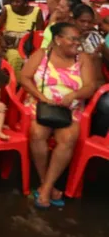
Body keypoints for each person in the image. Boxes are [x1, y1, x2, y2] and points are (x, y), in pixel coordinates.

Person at [20, 22, 97, 208]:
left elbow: (90, 86)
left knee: (68, 137)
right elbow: (24, 77)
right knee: (38, 133)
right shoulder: (42, 54)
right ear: (58, 39)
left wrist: (73, 95)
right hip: (41, 105)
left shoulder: (83, 59)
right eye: (72, 39)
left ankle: (45, 188)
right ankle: (47, 183)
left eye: (78, 39)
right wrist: (40, 97)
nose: (77, 43)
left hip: (70, 109)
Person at [0, 0, 44, 76]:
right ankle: (15, 84)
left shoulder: (37, 12)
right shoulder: (7, 10)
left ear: (25, 3)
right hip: (11, 47)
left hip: (28, 48)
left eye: (17, 2)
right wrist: (1, 40)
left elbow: (40, 34)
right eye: (12, 1)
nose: (14, 4)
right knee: (14, 57)